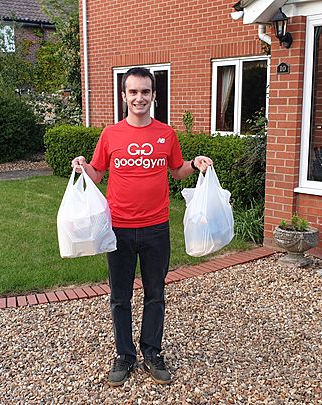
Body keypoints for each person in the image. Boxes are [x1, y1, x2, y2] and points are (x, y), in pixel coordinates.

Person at [71, 67, 212, 387]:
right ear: (124, 97)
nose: (139, 97)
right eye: (133, 92)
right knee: (119, 297)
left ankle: (152, 352)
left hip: (156, 229)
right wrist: (82, 166)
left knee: (155, 294)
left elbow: (177, 170)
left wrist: (196, 163)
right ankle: (124, 356)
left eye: (145, 92)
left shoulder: (167, 134)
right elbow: (97, 174)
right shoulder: (110, 135)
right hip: (118, 228)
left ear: (154, 96)